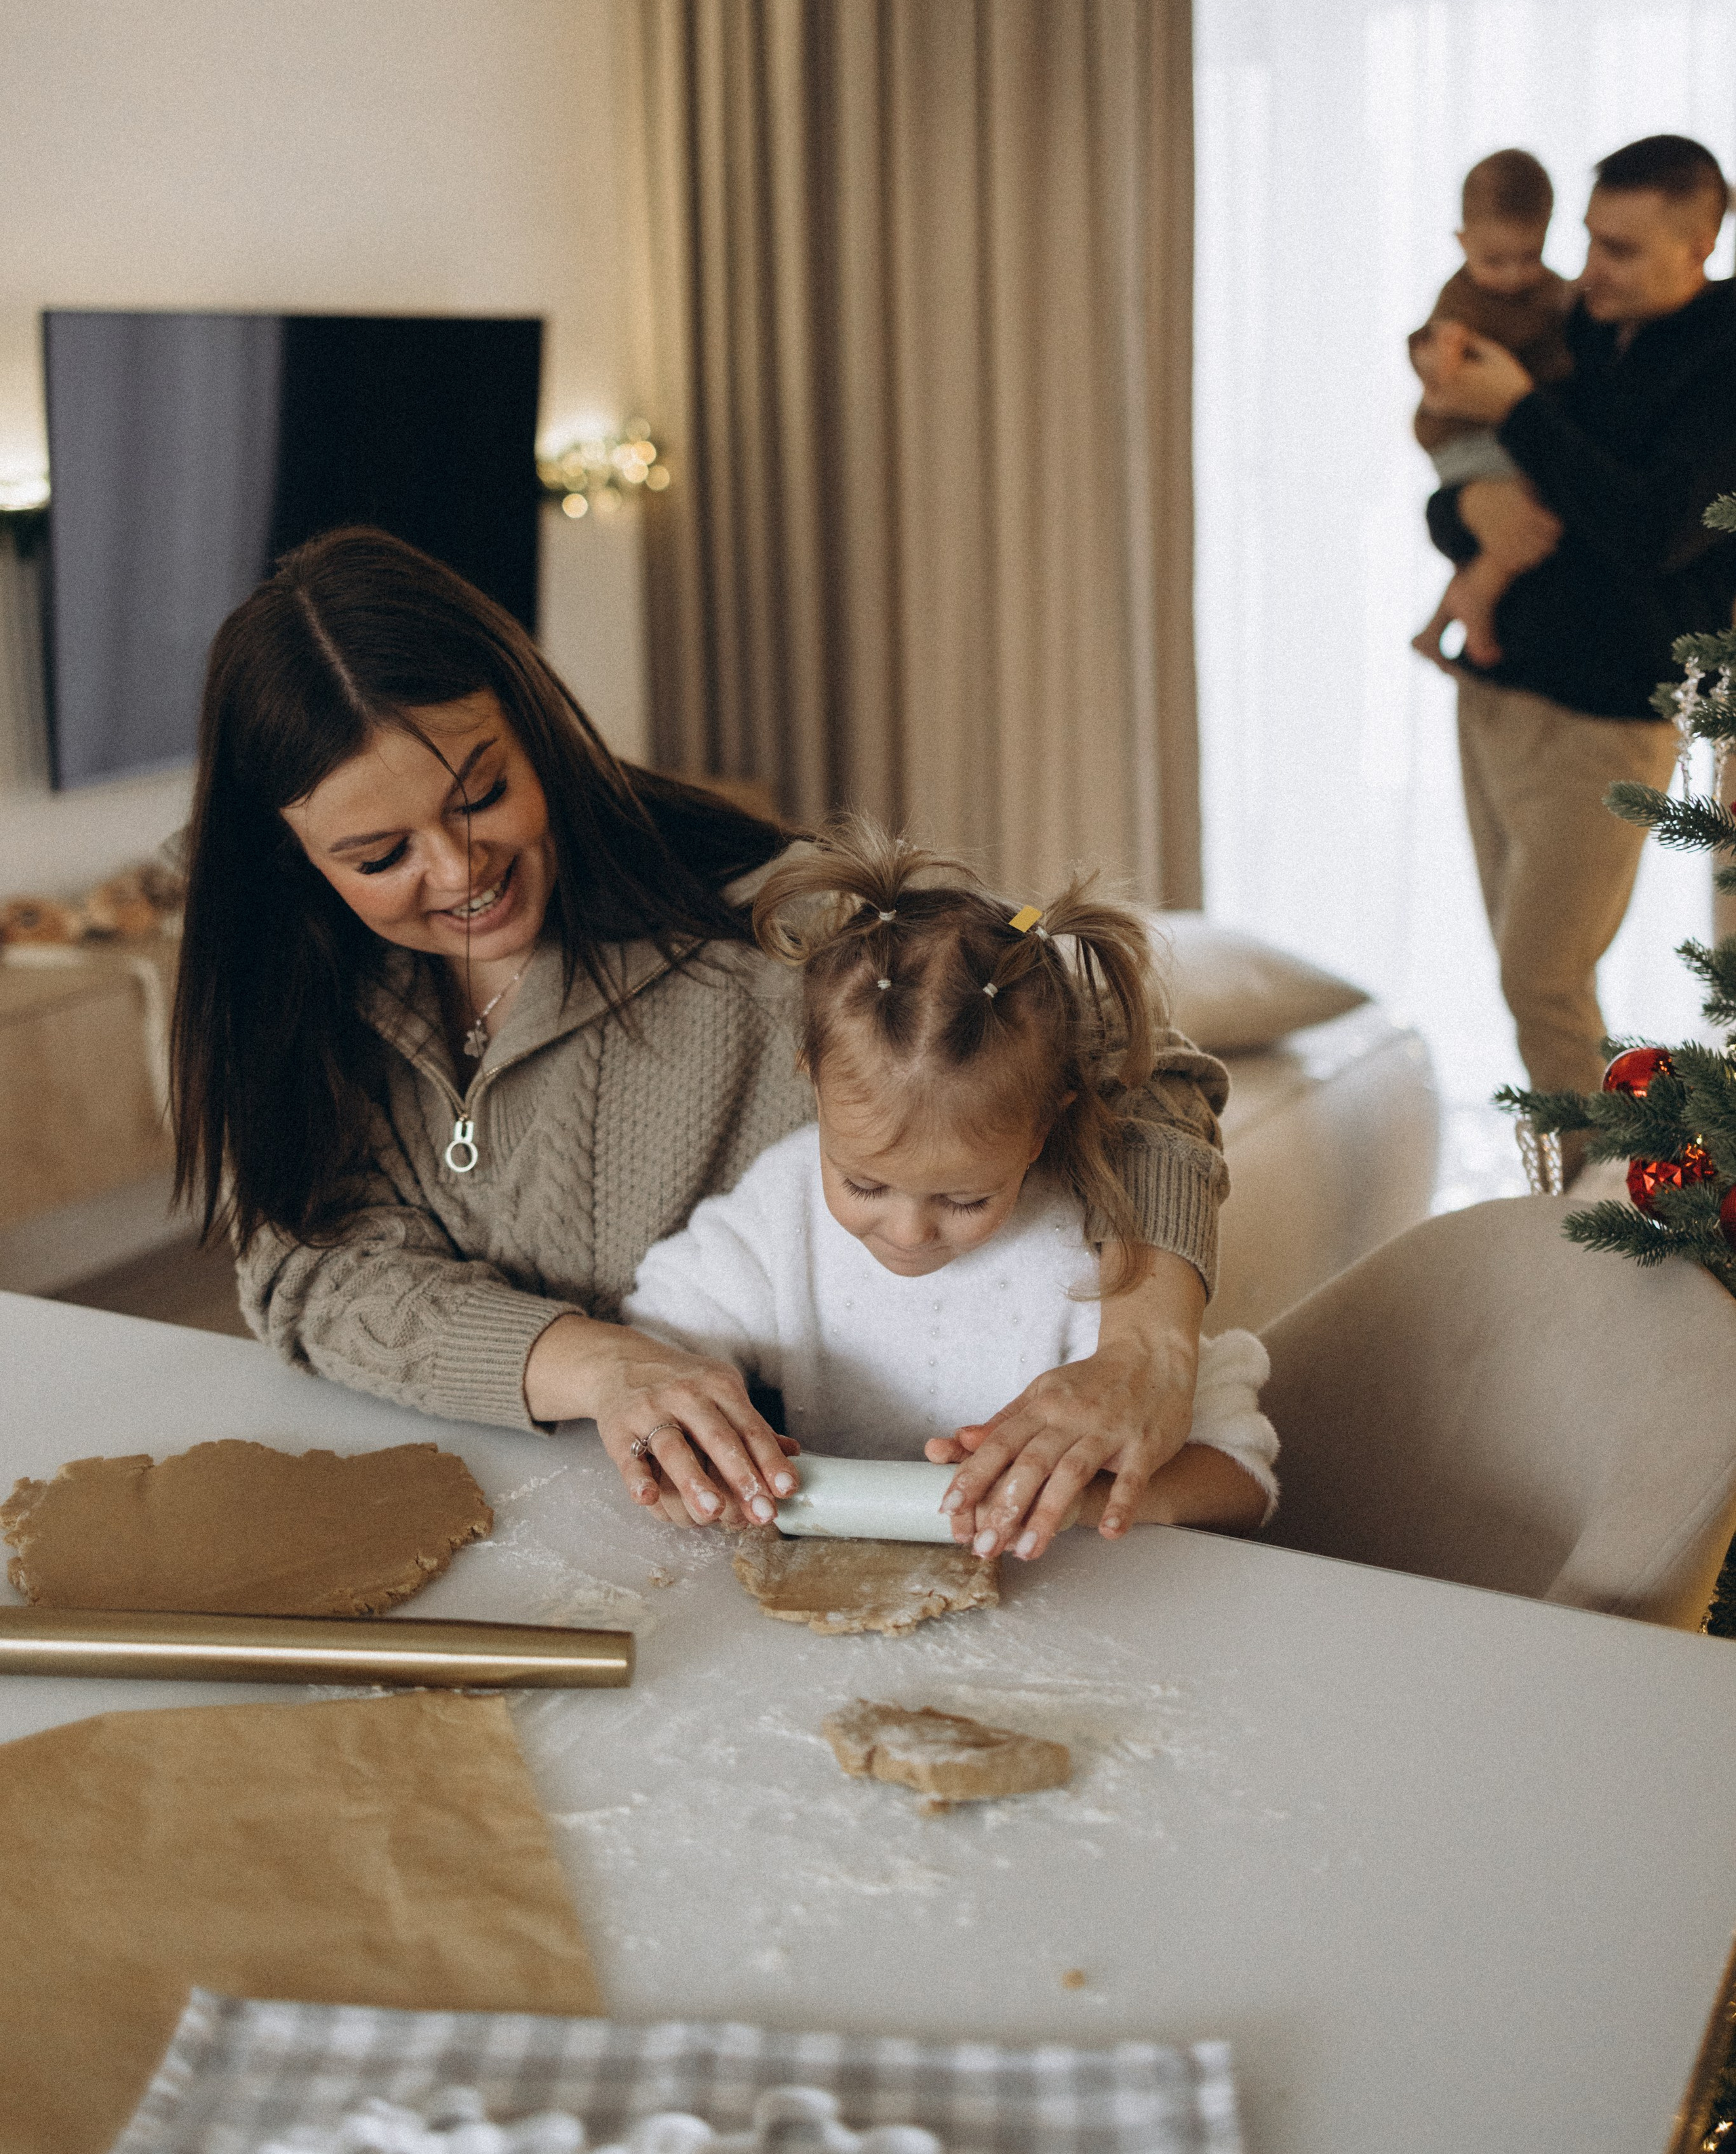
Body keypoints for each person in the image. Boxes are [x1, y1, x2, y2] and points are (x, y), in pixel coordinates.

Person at [173, 527, 1231, 1558]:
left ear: (536, 727)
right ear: (292, 860)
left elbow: (1138, 1068)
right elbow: (309, 1275)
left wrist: (1149, 1341)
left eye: (484, 793)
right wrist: (599, 1366)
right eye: (379, 854)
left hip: (731, 1540)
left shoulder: (765, 931)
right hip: (472, 1505)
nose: (457, 873)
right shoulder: (293, 1000)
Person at [627, 822, 1276, 1553]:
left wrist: (1080, 1499)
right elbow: (651, 1346)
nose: (908, 1233)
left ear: (1041, 1128)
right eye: (863, 1182)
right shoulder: (781, 1208)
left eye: (965, 1200)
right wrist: (684, 1438)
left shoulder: (1103, 1246)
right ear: (814, 1085)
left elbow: (1240, 1481)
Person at [1413, 134, 1736, 1156]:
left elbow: (1655, 531)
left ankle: (1625, 1196)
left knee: (1540, 978)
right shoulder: (1583, 334)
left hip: (1609, 718)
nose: (1588, 269)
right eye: (1590, 240)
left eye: (1622, 250)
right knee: (1534, 981)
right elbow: (1459, 500)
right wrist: (1469, 505)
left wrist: (1515, 409)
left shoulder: (1724, 356)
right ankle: (1603, 1197)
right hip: (1499, 689)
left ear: (1702, 243)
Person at [1409, 148, 1576, 669]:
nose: (1513, 275)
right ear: (1463, 242)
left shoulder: (1552, 291)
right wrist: (1440, 355)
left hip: (1504, 432)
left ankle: (1436, 627)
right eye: (1494, 261)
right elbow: (1423, 347)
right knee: (1531, 510)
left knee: (1523, 512)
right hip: (1462, 435)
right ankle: (1476, 604)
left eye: (1529, 257)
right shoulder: (1460, 300)